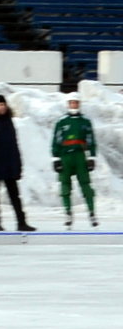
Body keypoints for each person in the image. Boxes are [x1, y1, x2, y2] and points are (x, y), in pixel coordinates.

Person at [0, 94, 34, 232]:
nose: (2, 107)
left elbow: (13, 144)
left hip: (9, 164)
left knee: (14, 195)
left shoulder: (8, 121)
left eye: (4, 104)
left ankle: (21, 222)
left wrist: (18, 164)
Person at [51, 92, 98, 229]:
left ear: (79, 104)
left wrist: (91, 157)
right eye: (71, 102)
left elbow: (90, 140)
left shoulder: (85, 122)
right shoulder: (62, 122)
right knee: (65, 186)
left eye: (76, 102)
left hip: (80, 156)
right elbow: (56, 141)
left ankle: (92, 212)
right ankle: (68, 213)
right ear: (68, 104)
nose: (74, 105)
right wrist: (55, 159)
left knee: (86, 185)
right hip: (65, 156)